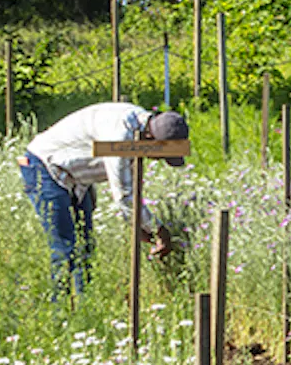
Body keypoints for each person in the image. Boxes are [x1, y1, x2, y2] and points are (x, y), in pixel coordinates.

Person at [22, 100, 188, 288]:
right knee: (66, 249)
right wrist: (158, 229)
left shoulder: (140, 125)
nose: (157, 159)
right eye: (160, 154)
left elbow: (128, 184)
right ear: (151, 139)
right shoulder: (120, 137)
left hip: (74, 178)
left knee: (85, 248)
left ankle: (85, 309)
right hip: (45, 167)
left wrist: (140, 223)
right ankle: (60, 312)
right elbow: (124, 195)